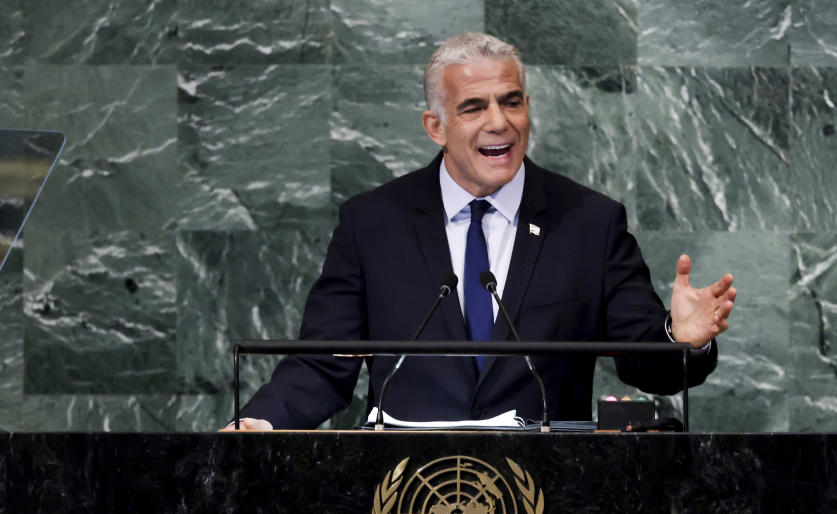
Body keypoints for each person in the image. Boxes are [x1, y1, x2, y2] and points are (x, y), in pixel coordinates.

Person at [226, 33, 736, 431]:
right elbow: (323, 364)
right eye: (474, 107)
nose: (500, 122)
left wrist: (682, 340)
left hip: (550, 497)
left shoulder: (589, 223)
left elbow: (648, 363)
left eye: (511, 102)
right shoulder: (373, 224)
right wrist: (260, 422)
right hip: (404, 492)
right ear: (436, 126)